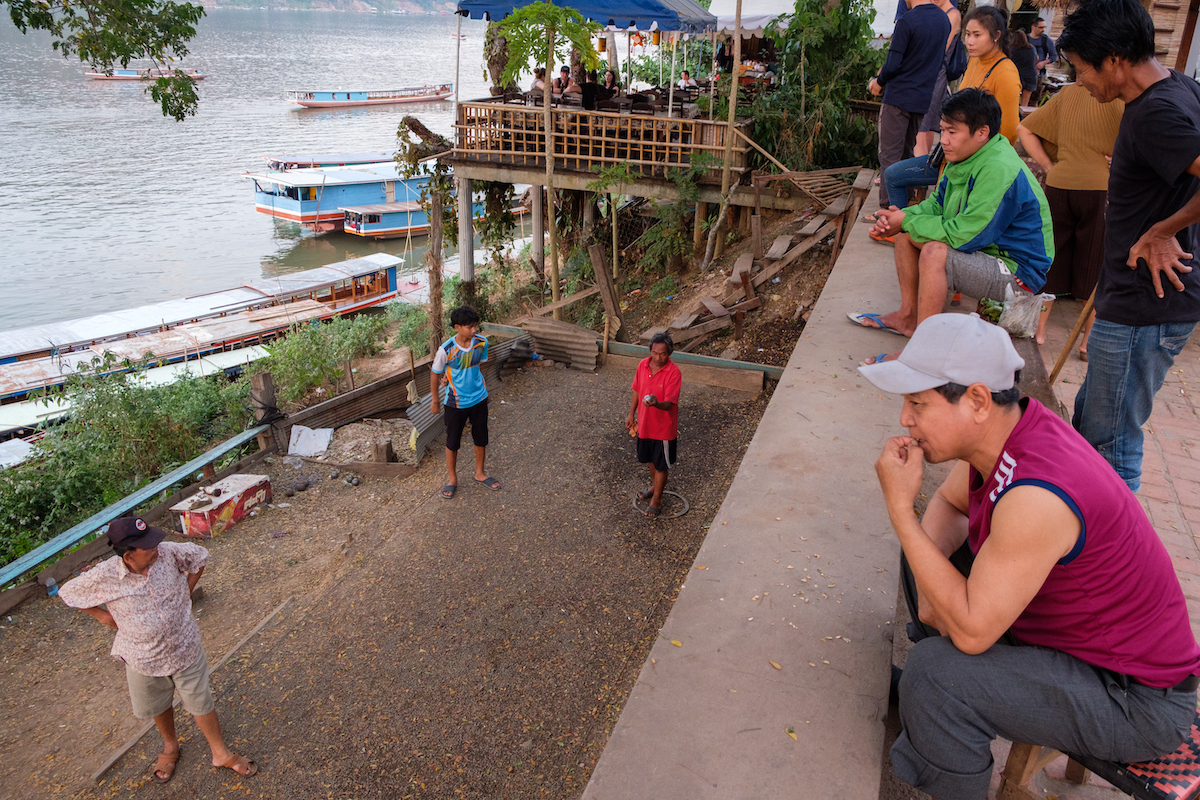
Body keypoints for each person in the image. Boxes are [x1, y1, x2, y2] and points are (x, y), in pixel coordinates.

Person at [860, 312, 1200, 800]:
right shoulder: (1011, 431)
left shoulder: (1038, 494)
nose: (905, 420)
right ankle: (942, 707)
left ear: (977, 400)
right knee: (927, 565)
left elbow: (974, 633)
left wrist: (900, 512)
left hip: (1136, 704)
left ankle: (944, 718)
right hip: (1076, 650)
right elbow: (952, 504)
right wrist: (939, 599)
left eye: (917, 403)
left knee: (937, 674)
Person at [1058, 0, 1200, 493]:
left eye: (1080, 68)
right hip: (1138, 299)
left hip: (1146, 305)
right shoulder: (1180, 87)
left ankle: (1111, 563)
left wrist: (1165, 230)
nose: (1079, 81)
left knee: (1110, 445)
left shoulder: (1157, 111)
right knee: (1090, 425)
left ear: (1114, 59)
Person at [853, 89, 1053, 363]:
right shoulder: (966, 157)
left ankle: (924, 350)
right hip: (987, 254)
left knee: (935, 251)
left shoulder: (998, 168)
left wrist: (907, 220)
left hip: (1017, 273)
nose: (943, 140)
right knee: (905, 234)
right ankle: (908, 318)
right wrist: (897, 218)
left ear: (982, 132)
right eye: (943, 130)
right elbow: (936, 204)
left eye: (952, 132)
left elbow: (965, 237)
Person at [58, 518, 258, 783]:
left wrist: (187, 590)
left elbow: (200, 557)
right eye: (148, 546)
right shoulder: (105, 575)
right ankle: (171, 746)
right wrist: (102, 616)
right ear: (128, 555)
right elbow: (68, 593)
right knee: (158, 705)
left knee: (201, 701)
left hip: (184, 647)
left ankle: (220, 752)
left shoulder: (168, 553)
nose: (156, 547)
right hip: (143, 658)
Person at [880, 6, 1021, 214]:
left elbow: (1009, 132)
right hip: (947, 157)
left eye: (977, 35)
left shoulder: (1006, 73)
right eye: (967, 35)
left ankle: (905, 226)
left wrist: (972, 160)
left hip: (975, 165)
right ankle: (900, 227)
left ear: (996, 36)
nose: (969, 41)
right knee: (894, 174)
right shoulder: (974, 61)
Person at [1018, 78, 1124, 350]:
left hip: (1058, 185)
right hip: (1101, 189)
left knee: (1051, 261)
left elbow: (1024, 129)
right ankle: (1087, 342)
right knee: (1096, 267)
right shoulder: (1121, 96)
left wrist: (1049, 166)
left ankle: (1038, 332)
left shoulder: (1066, 94)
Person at [867, 0, 951, 214]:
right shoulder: (943, 20)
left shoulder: (907, 20)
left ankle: (889, 207)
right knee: (907, 151)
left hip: (898, 97)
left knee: (889, 154)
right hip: (923, 97)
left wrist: (879, 81)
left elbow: (893, 64)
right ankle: (907, 200)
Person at [430, 306, 499, 499]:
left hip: (479, 399)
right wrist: (435, 400)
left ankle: (480, 473)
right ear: (457, 327)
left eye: (475, 326)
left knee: (481, 437)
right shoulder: (446, 350)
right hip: (455, 403)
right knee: (452, 441)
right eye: (470, 327)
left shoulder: (481, 343)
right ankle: (452, 479)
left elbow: (475, 368)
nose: (474, 330)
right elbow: (435, 375)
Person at [625, 333, 682, 517]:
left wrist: (656, 403)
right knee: (650, 459)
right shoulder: (642, 365)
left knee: (661, 465)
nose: (658, 358)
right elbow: (636, 389)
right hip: (645, 425)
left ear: (670, 353)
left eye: (663, 354)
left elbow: (669, 404)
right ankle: (654, 487)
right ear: (650, 351)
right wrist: (631, 414)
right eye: (655, 353)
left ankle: (656, 499)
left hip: (663, 428)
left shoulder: (674, 373)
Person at [912, 0, 962, 161]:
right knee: (925, 129)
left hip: (934, 76)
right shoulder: (936, 13)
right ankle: (921, 172)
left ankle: (914, 178)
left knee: (920, 127)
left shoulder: (952, 15)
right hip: (925, 73)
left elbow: (938, 48)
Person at [1028, 16, 1058, 102]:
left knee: (1035, 100)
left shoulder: (1047, 40)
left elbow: (1053, 56)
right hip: (1025, 74)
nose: (1043, 29)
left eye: (1044, 27)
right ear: (1033, 27)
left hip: (1039, 75)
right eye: (1040, 27)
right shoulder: (1025, 39)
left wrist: (1043, 62)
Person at [1009, 29, 1038, 107]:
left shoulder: (1012, 50)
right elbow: (1037, 59)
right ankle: (1023, 119)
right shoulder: (1032, 48)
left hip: (1018, 77)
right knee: (1024, 104)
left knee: (1013, 102)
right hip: (1031, 77)